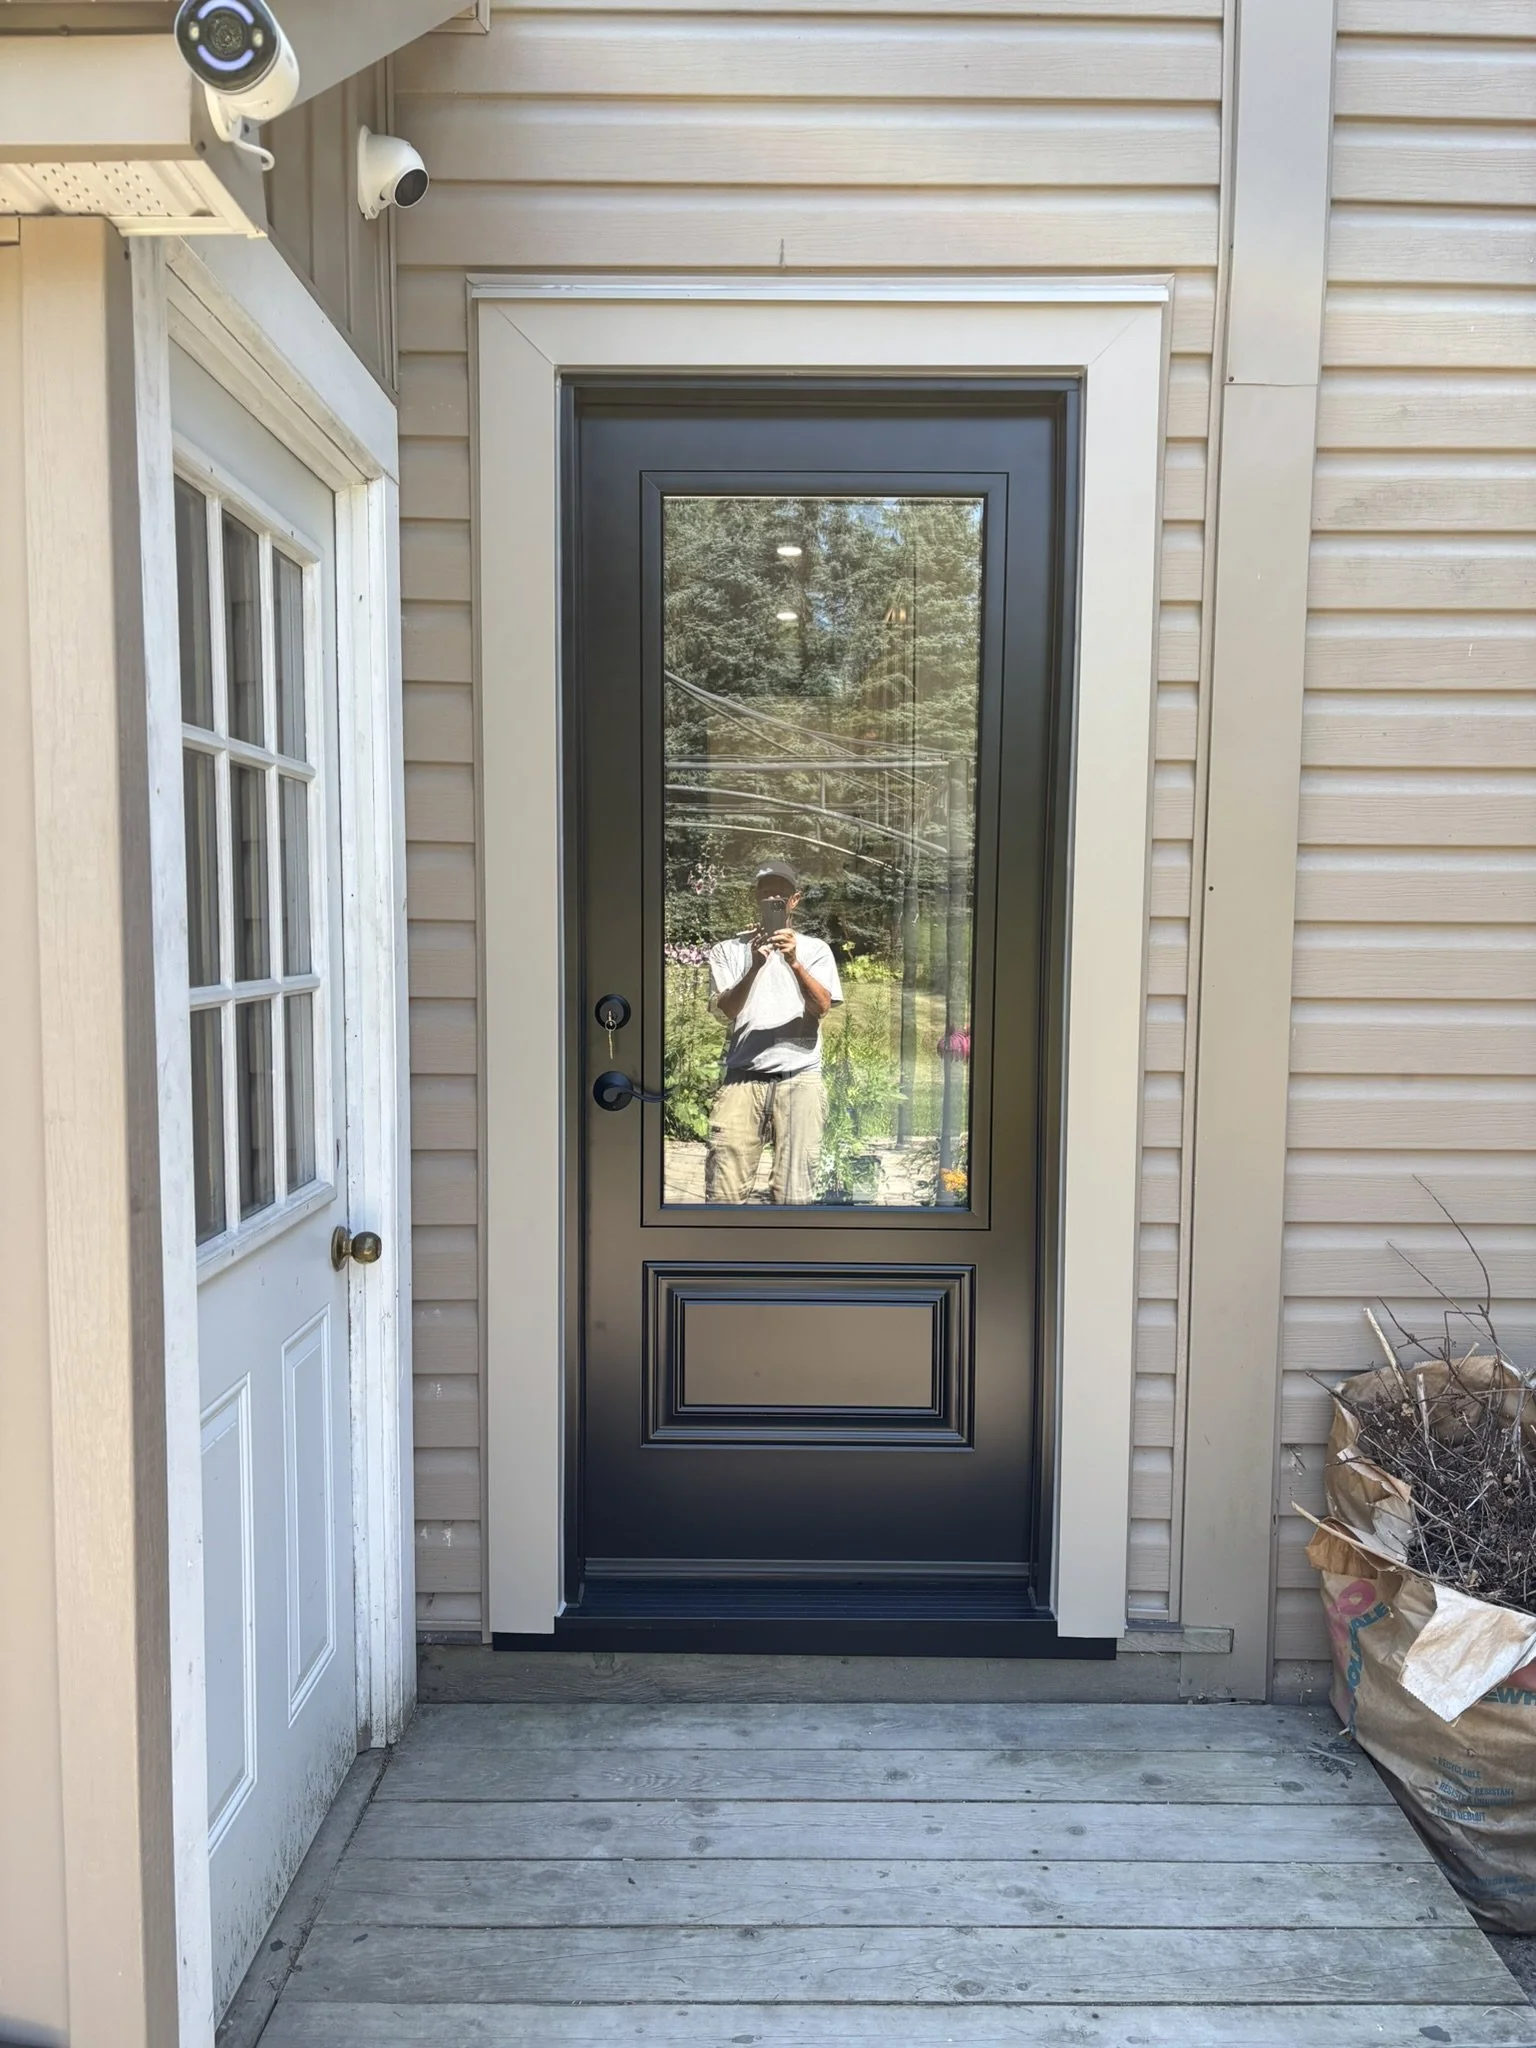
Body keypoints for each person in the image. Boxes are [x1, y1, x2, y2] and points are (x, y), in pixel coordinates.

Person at [705, 861, 842, 1204]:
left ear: (795, 900)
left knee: (795, 1195)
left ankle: (789, 1257)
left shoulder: (815, 950)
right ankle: (724, 1256)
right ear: (756, 897)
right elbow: (728, 1011)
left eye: (781, 894)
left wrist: (794, 962)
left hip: (800, 1078)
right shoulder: (727, 950)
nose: (773, 898)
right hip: (742, 1078)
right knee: (724, 1192)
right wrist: (754, 966)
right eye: (767, 892)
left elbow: (822, 1007)